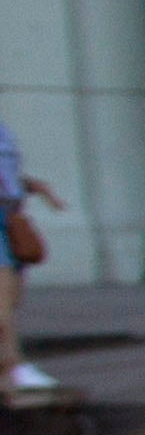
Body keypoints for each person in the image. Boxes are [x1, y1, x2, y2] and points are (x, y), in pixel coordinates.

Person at [0, 113, 60, 393]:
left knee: (12, 297)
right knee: (2, 299)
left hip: (10, 220)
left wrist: (33, 186)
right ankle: (14, 367)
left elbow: (8, 175)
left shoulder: (4, 131)